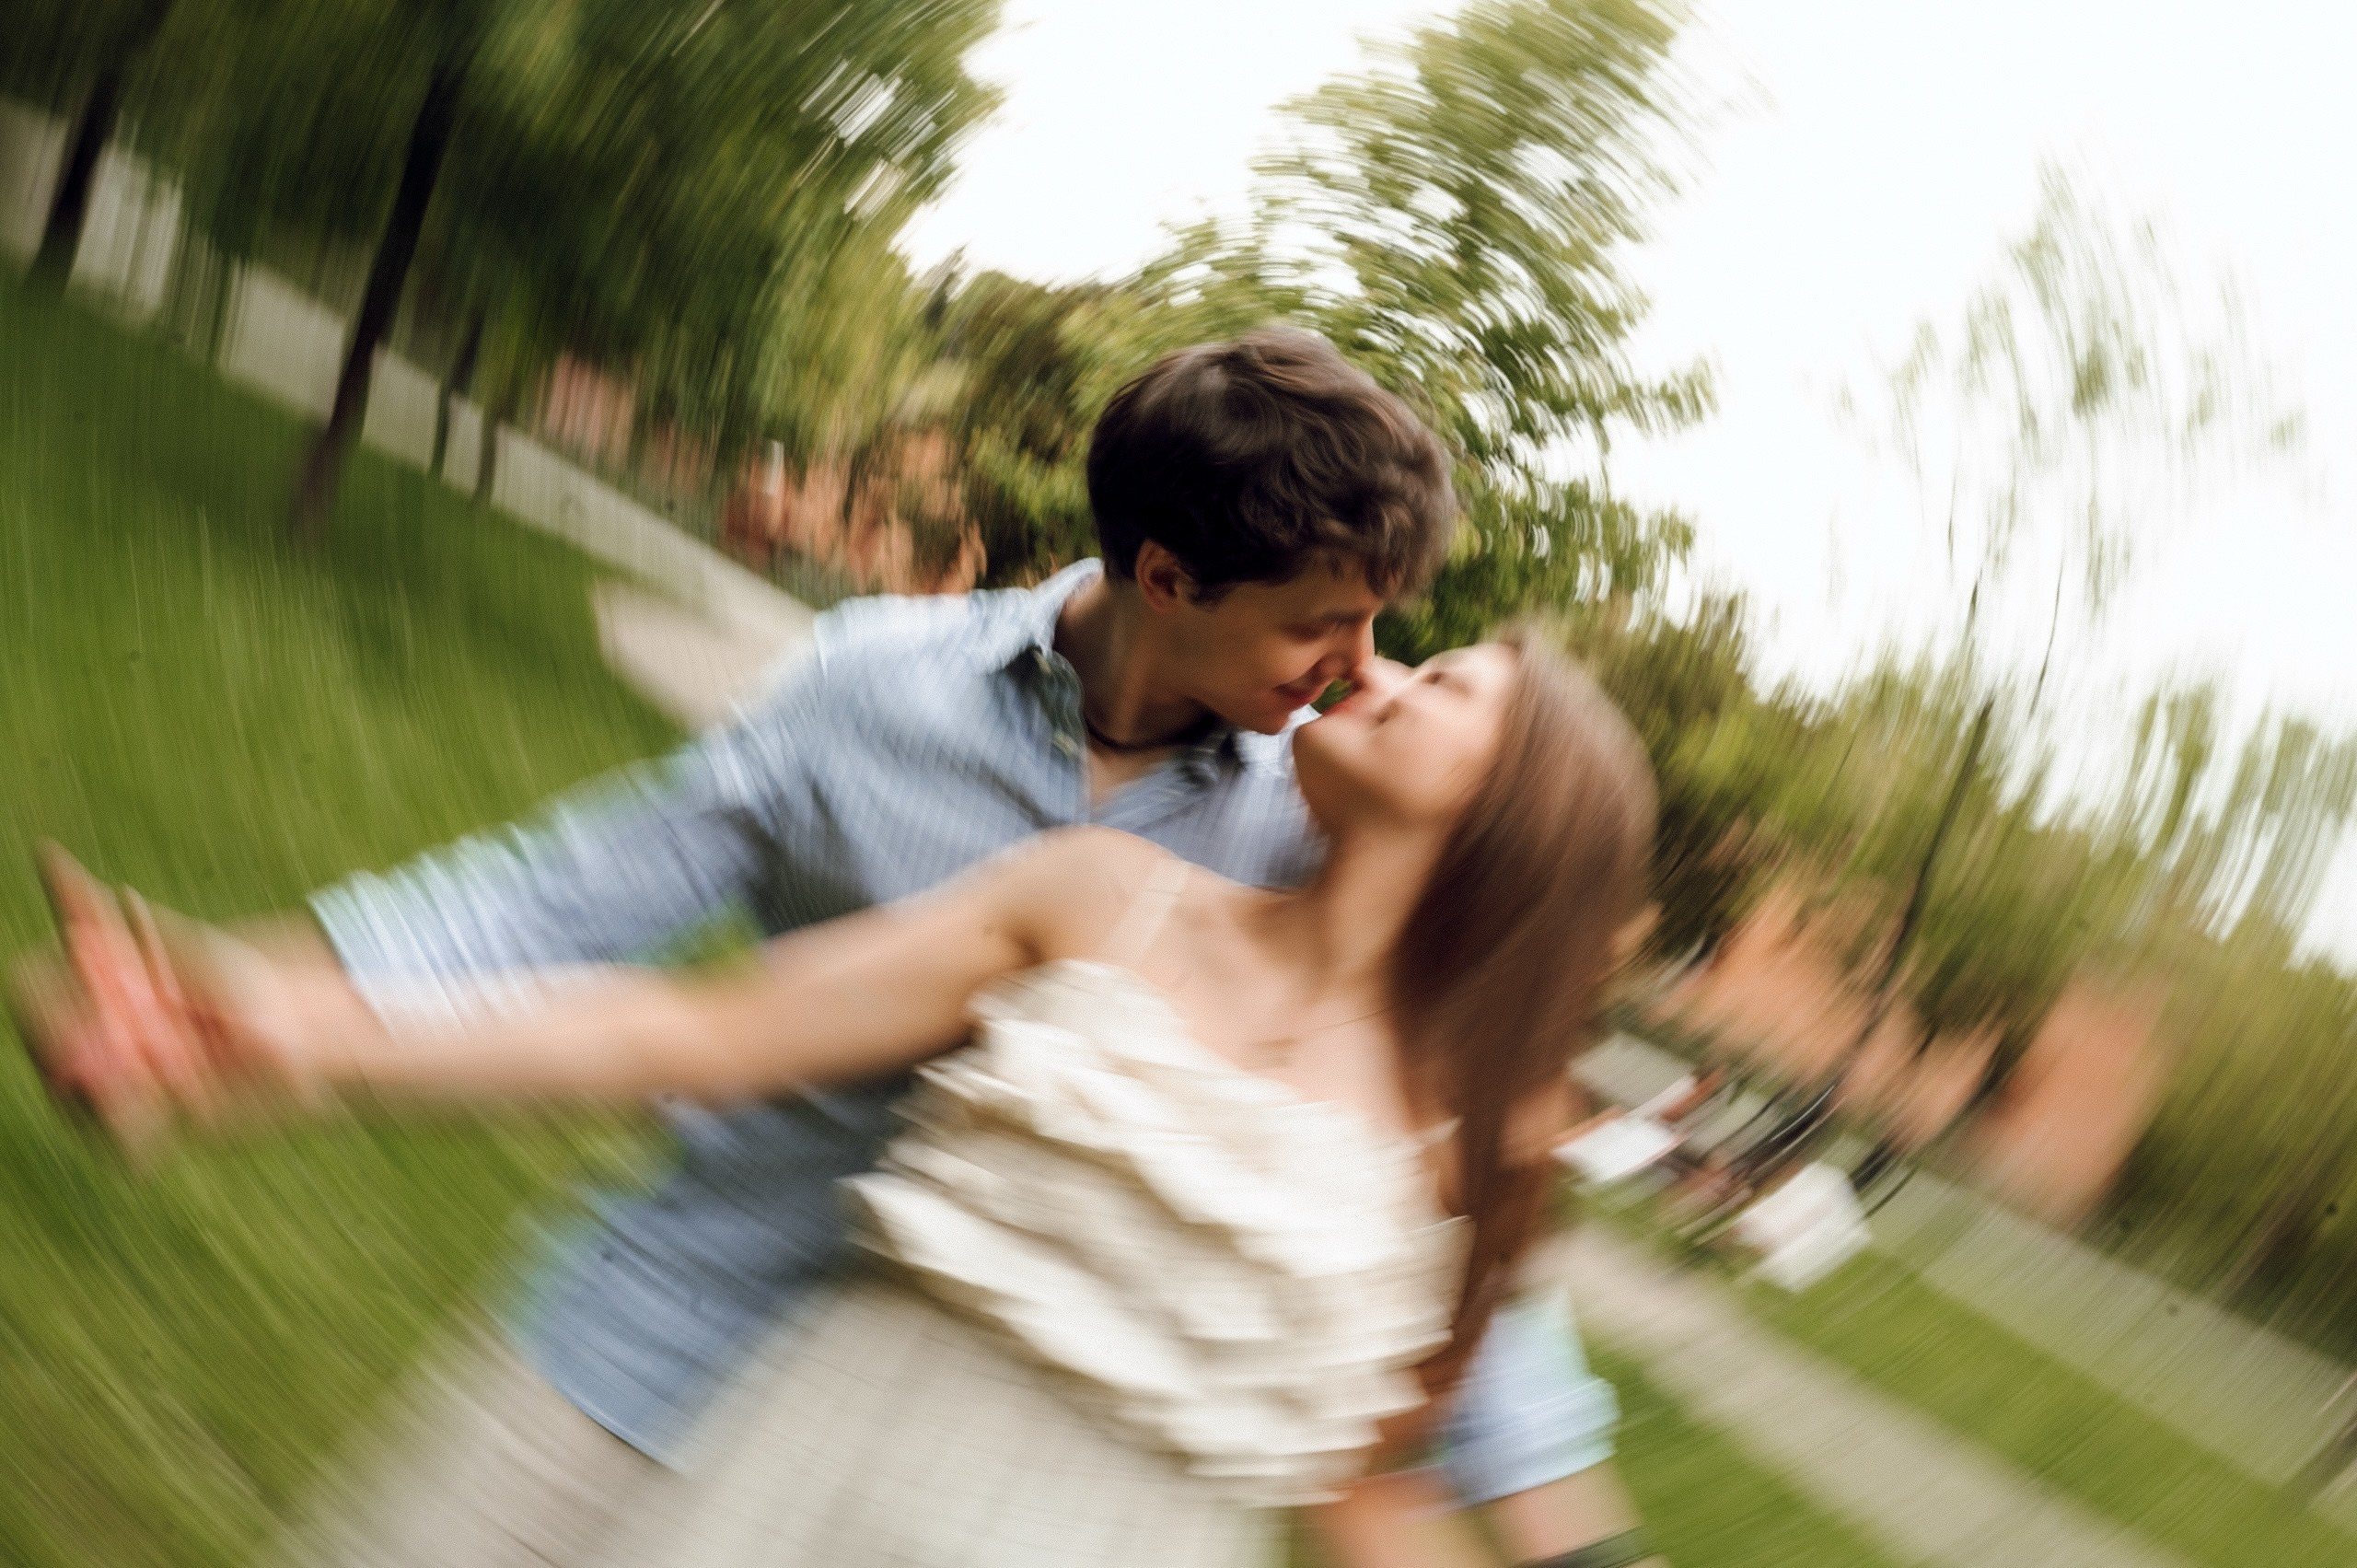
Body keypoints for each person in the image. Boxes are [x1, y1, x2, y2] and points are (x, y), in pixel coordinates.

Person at [13, 326, 1659, 1568]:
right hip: (672, 1321)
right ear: (1168, 576)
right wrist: (259, 1000)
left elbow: (1390, 1211)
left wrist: (1558, 1518)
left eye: (1385, 632)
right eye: (1326, 624)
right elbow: (594, 922)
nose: (1365, 667)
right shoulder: (881, 688)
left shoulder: (1322, 818)